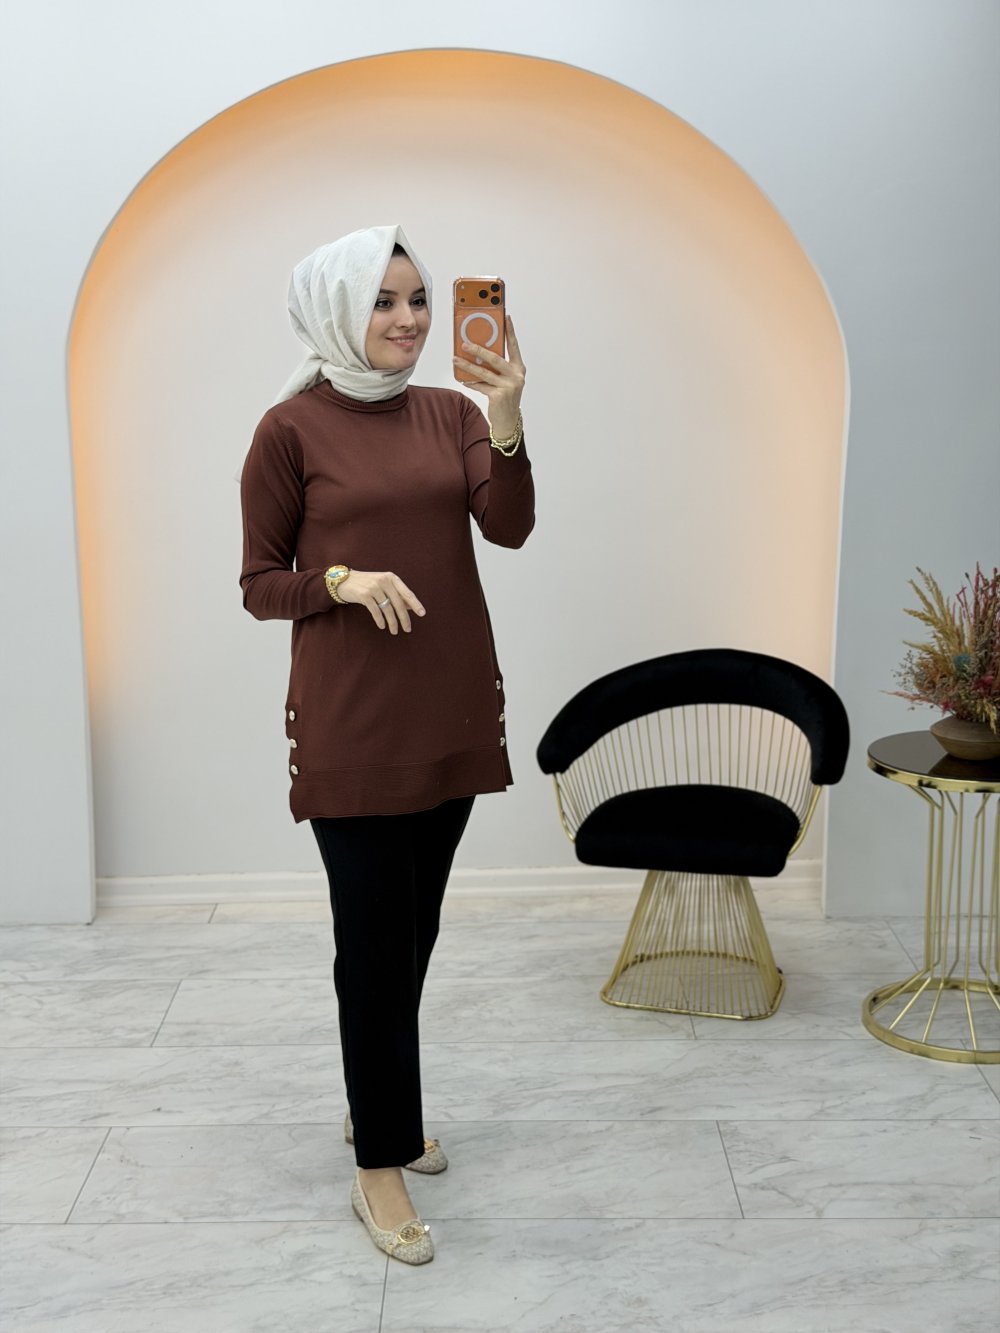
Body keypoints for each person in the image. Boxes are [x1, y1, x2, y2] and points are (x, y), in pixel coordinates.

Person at [239, 225, 534, 1265]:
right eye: (383, 300)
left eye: (416, 299)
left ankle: (378, 1106)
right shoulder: (288, 430)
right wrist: (340, 581)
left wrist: (507, 416)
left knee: (412, 933)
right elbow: (258, 584)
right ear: (336, 309)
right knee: (371, 946)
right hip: (352, 723)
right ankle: (380, 1164)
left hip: (449, 708)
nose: (408, 319)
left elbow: (508, 527)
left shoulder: (453, 412)